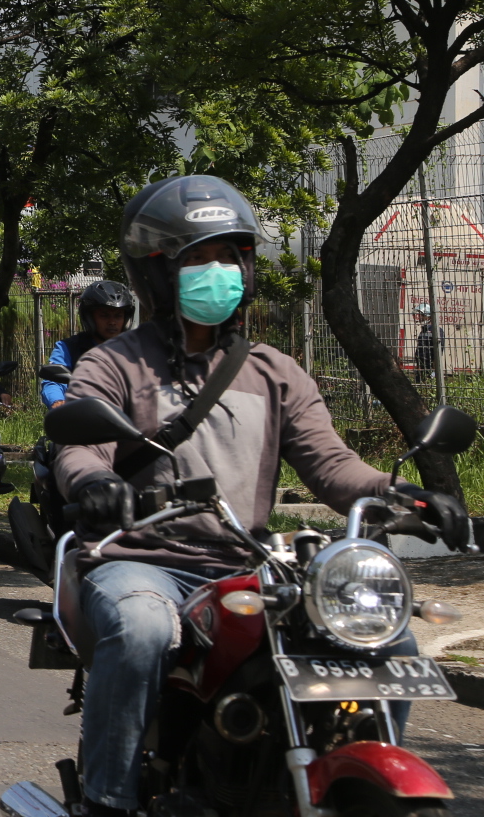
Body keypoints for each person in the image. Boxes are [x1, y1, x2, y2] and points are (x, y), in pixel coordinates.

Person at [52, 175, 471, 817]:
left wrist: (404, 495)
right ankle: (108, 798)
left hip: (246, 566)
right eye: (198, 258)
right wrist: (97, 483)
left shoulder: (274, 371)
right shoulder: (115, 363)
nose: (218, 272)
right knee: (140, 630)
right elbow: (81, 447)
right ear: (158, 271)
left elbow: (332, 466)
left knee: (388, 641)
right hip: (143, 561)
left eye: (229, 256)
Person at [40, 279, 136, 407]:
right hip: (85, 414)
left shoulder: (135, 350)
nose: (112, 322)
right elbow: (53, 382)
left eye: (118, 316)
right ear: (90, 317)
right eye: (104, 315)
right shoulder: (69, 348)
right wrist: (57, 401)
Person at [414, 302, 441, 386]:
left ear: (429, 316)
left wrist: (434, 370)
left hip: (429, 367)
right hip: (421, 367)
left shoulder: (436, 330)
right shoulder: (424, 330)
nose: (420, 317)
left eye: (422, 315)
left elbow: (439, 350)